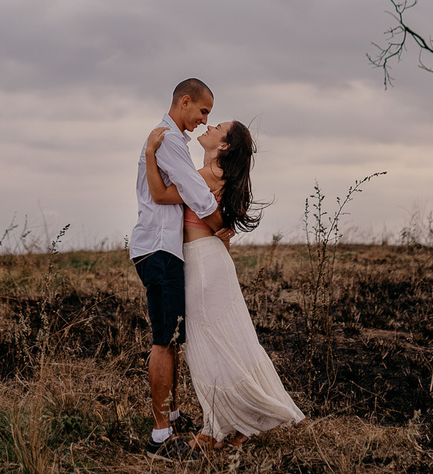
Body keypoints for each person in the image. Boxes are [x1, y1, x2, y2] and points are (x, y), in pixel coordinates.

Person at [145, 117, 305, 450]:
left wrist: (149, 152)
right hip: (213, 261)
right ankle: (239, 423)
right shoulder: (225, 179)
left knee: (209, 348)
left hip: (201, 262)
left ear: (224, 146)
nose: (210, 126)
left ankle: (214, 427)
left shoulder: (204, 177)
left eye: (217, 127)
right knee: (230, 341)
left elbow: (159, 195)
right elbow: (222, 233)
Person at [130, 78, 225, 461]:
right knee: (163, 338)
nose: (204, 121)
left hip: (163, 248)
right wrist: (221, 226)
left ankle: (170, 415)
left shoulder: (168, 140)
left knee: (172, 337)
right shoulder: (167, 140)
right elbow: (194, 191)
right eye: (202, 111)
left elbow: (170, 192)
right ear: (184, 101)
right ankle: (160, 436)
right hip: (158, 248)